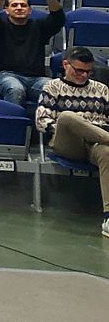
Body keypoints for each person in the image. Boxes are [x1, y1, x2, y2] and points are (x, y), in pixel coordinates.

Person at [34, 47, 109, 239]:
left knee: (106, 153)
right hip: (67, 141)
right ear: (66, 65)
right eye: (79, 70)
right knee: (67, 117)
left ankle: (108, 218)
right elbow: (41, 121)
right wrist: (74, 127)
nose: (84, 75)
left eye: (88, 72)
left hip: (96, 141)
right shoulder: (52, 87)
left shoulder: (102, 89)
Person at [0, 0, 63, 108]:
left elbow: (58, 18)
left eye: (23, 5)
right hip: (4, 76)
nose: (19, 8)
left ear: (30, 10)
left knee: (54, 89)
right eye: (14, 5)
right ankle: (13, 122)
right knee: (16, 89)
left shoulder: (39, 27)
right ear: (6, 10)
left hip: (36, 78)